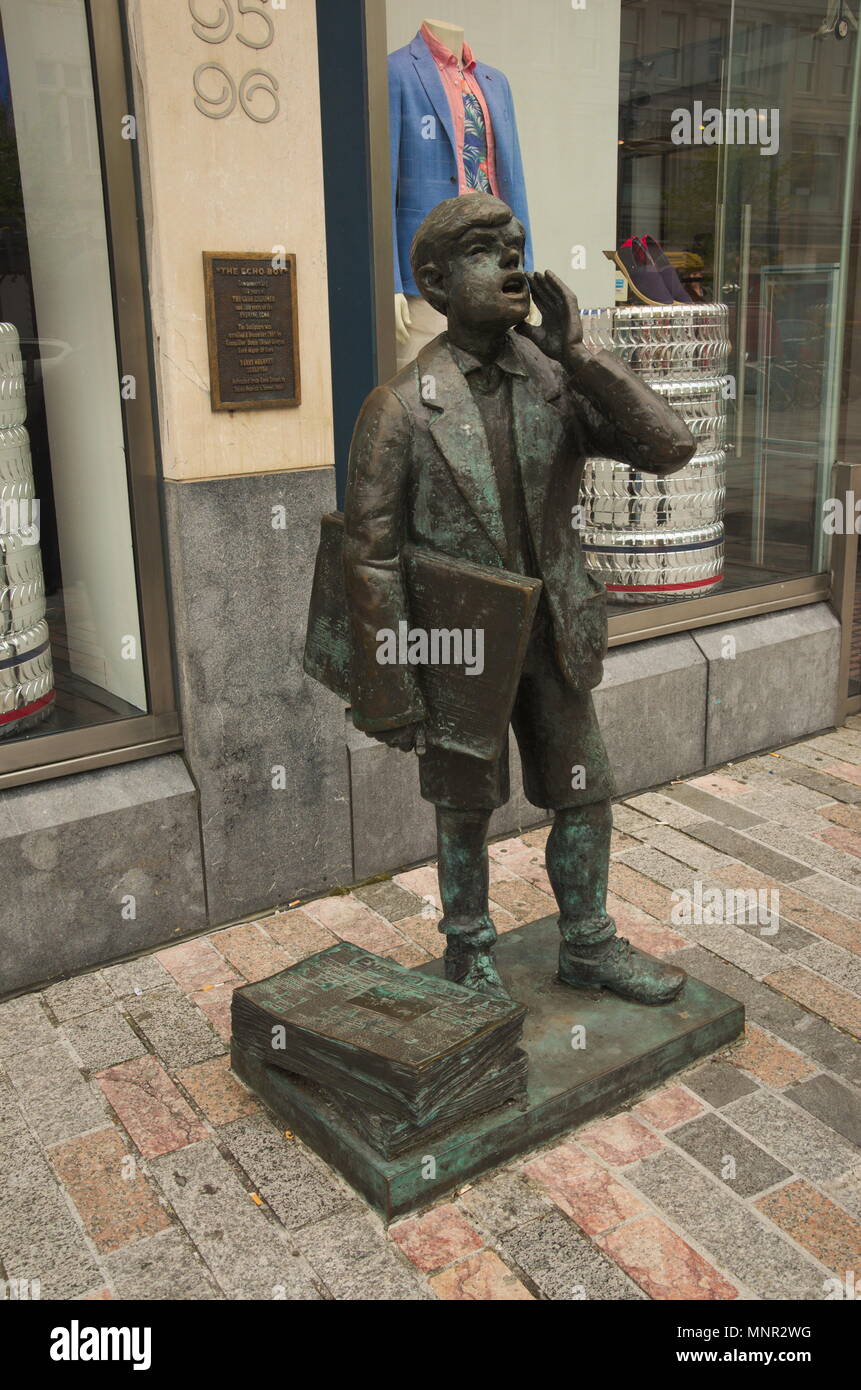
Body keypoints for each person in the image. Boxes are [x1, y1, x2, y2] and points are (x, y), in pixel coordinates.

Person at [344, 193, 696, 1003]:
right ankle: (467, 952)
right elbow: (370, 558)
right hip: (454, 645)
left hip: (550, 635)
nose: (510, 262)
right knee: (462, 806)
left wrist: (585, 358)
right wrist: (390, 686)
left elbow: (670, 449)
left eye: (515, 246)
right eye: (482, 250)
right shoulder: (398, 408)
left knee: (584, 792)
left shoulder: (554, 381)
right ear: (433, 282)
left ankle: (588, 944)